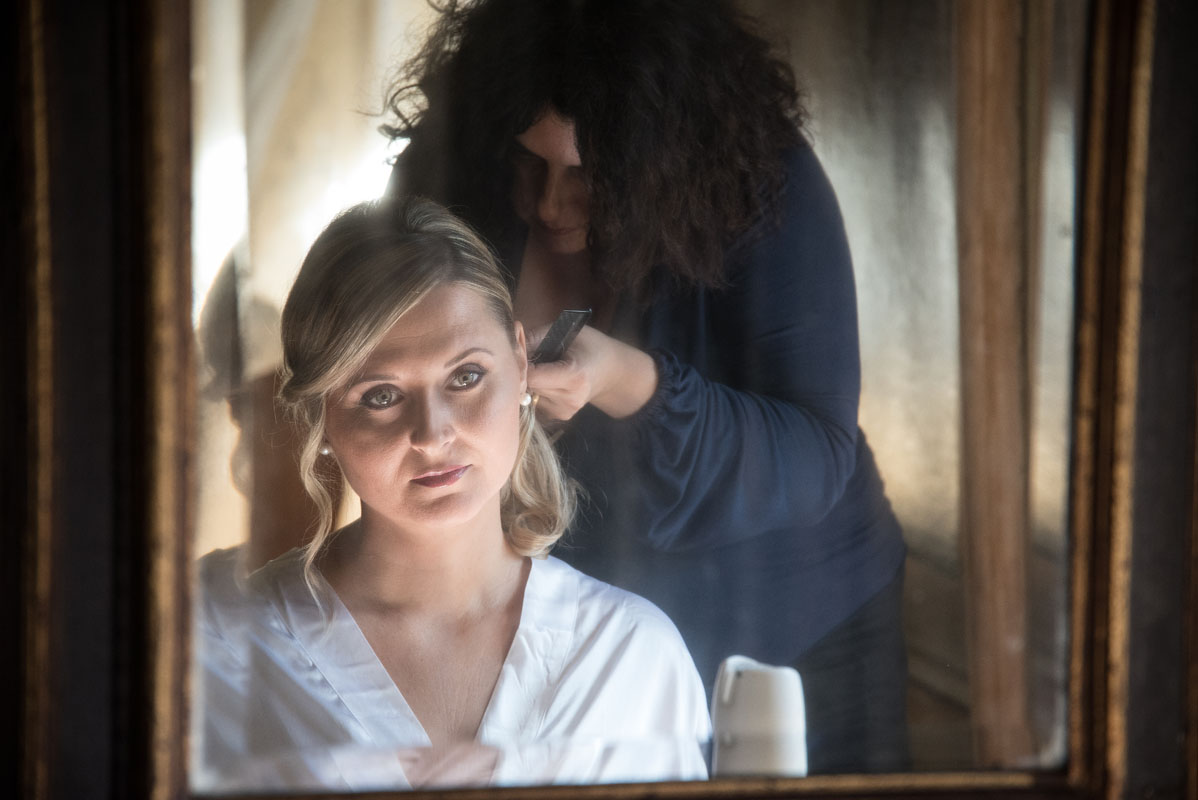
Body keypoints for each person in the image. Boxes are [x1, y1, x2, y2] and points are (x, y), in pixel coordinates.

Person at [383, 0, 909, 773]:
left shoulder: (759, 180)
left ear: (661, 160)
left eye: (589, 176)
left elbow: (817, 454)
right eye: (531, 163)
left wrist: (628, 381)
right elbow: (386, 353)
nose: (554, 203)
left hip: (798, 627)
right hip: (577, 643)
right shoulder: (452, 165)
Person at [193, 197, 710, 791]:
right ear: (321, 416)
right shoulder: (224, 641)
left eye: (465, 377)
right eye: (380, 395)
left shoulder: (630, 658)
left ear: (520, 363)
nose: (433, 435)